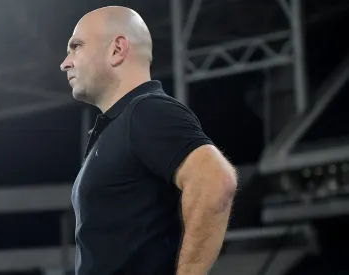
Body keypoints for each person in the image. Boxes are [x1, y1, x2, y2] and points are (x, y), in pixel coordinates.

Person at [60, 6, 237, 275]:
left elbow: (215, 180)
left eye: (76, 46)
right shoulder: (122, 124)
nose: (65, 62)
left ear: (117, 49)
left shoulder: (147, 112)